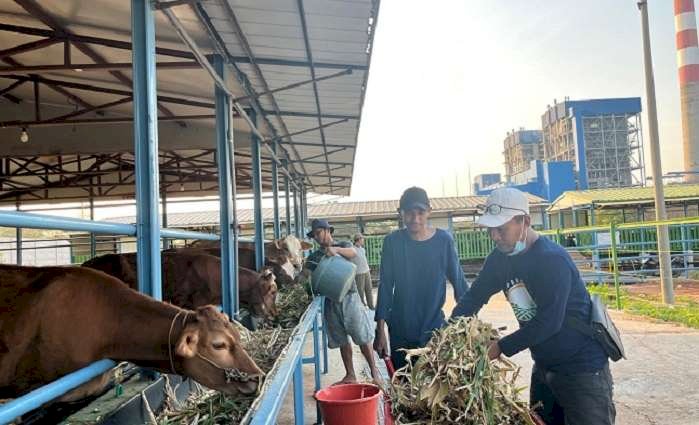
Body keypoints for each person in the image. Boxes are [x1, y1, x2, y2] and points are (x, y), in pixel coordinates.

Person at [451, 187, 615, 425]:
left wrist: (500, 347)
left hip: (581, 369)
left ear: (525, 221)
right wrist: (448, 332)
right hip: (545, 366)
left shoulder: (551, 260)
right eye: (490, 230)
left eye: (501, 229)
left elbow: (549, 322)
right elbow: (473, 297)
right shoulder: (499, 259)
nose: (495, 236)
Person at [373, 187, 466, 369]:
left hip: (434, 329)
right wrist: (380, 330)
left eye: (420, 213)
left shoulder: (443, 241)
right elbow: (385, 286)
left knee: (432, 388)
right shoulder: (393, 243)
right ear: (401, 214)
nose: (415, 219)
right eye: (409, 213)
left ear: (429, 212)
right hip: (400, 330)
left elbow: (459, 282)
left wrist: (468, 324)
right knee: (403, 387)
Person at [304, 219, 382, 385]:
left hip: (350, 297)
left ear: (327, 231)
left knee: (361, 335)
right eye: (314, 235)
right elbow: (306, 275)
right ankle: (350, 374)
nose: (317, 237)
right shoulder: (315, 256)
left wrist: (336, 250)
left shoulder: (343, 244)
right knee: (341, 339)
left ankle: (375, 373)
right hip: (330, 301)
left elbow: (354, 253)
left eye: (319, 233)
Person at [351, 233, 374, 309]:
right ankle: (361, 306)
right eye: (362, 239)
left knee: (369, 289)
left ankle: (371, 305)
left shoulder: (362, 249)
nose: (363, 240)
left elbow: (363, 260)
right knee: (360, 291)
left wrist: (367, 268)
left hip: (366, 271)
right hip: (359, 273)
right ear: (358, 240)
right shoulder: (352, 249)